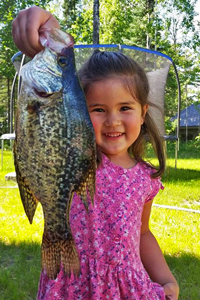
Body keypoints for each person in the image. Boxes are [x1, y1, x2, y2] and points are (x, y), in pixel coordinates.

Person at [12, 7, 179, 300]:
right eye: (98, 110)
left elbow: (142, 234)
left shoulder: (145, 177)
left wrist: (165, 278)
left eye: (125, 108)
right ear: (76, 114)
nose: (113, 120)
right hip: (70, 284)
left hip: (124, 287)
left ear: (142, 114)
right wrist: (44, 23)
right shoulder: (77, 161)